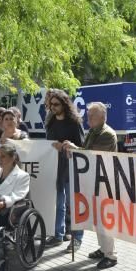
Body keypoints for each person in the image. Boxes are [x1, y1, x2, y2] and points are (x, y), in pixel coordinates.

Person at [63, 102, 119, 268]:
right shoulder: (94, 131)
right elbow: (86, 151)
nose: (88, 118)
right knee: (98, 219)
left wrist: (74, 148)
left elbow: (92, 155)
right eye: (89, 115)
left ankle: (111, 255)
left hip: (104, 182)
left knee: (105, 219)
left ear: (102, 117)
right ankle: (103, 249)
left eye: (92, 116)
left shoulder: (107, 134)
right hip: (95, 181)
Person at [44, 89, 84, 252]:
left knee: (72, 205)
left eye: (56, 104)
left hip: (71, 168)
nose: (52, 107)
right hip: (55, 167)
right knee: (58, 203)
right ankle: (58, 235)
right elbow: (48, 143)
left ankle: (77, 238)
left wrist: (67, 146)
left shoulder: (74, 122)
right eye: (51, 104)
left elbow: (82, 147)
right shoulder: (51, 120)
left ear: (64, 104)